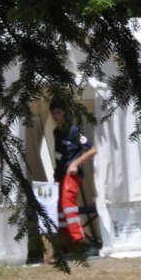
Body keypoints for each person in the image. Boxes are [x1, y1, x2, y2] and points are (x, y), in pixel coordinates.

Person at [49, 100, 97, 250]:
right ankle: (65, 241)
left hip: (73, 174)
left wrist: (75, 164)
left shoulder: (74, 130)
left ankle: (78, 240)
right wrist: (56, 176)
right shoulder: (56, 132)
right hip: (61, 175)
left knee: (68, 204)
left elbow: (92, 150)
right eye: (53, 113)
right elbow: (58, 156)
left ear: (64, 113)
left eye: (58, 112)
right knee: (60, 208)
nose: (56, 116)